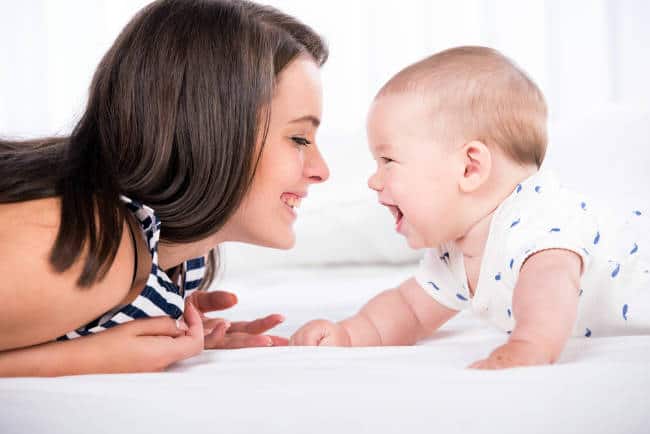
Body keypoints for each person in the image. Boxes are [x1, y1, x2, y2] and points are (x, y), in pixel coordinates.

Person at [0, 0, 329, 376]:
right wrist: (93, 358)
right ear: (210, 135)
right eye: (300, 138)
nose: (322, 171)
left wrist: (166, 325)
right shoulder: (96, 244)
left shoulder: (174, 257)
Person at [290, 46, 650, 369]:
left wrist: (530, 345)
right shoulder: (456, 253)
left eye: (387, 160)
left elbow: (549, 288)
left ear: (469, 168)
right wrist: (348, 334)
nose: (374, 180)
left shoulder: (537, 220)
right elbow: (410, 310)